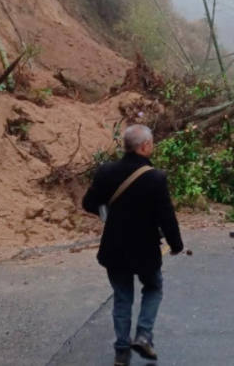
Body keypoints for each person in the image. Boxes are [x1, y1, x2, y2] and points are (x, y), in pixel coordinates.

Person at [83, 125, 184, 366]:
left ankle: (121, 351)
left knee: (122, 297)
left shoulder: (106, 171)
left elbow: (89, 203)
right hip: (145, 249)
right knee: (153, 288)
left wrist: (110, 211)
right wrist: (176, 244)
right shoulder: (155, 177)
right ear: (145, 146)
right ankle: (144, 335)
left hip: (115, 248)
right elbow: (166, 216)